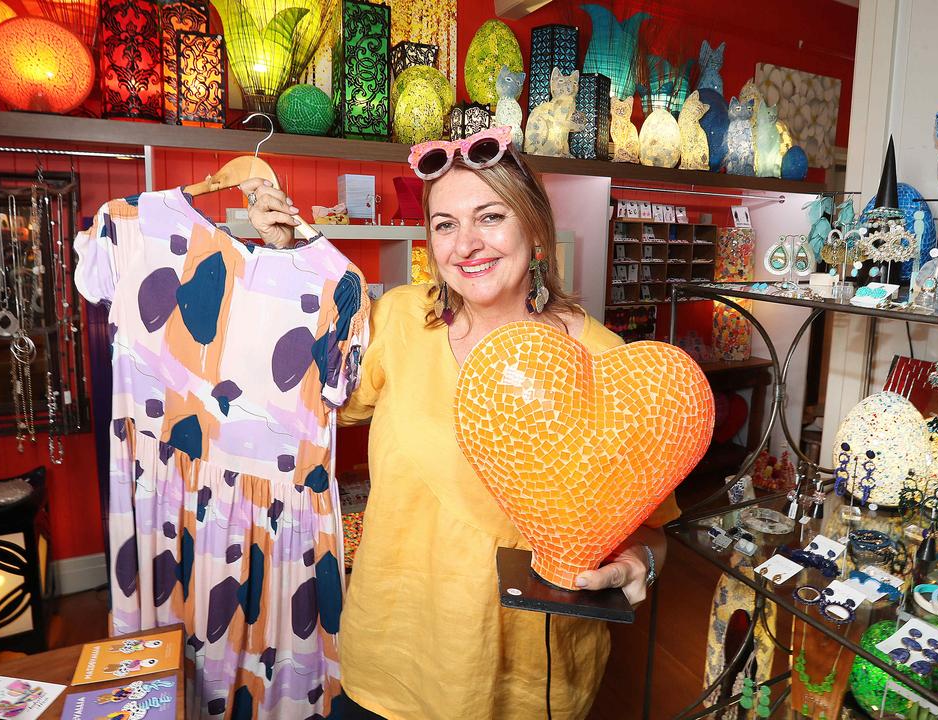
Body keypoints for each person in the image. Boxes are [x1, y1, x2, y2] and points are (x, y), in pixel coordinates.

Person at [240, 126, 679, 719]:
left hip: (522, 686)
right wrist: (282, 267)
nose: (465, 244)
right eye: (445, 224)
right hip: (389, 664)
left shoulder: (604, 362)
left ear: (536, 230)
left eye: (490, 216)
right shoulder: (398, 320)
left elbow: (653, 530)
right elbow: (299, 397)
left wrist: (639, 562)